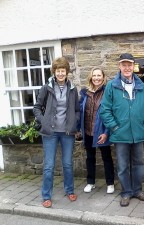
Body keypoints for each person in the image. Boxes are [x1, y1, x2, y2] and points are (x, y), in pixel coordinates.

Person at [100, 53, 144, 207]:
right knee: (123, 166)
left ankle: (137, 190)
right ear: (120, 66)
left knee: (138, 164)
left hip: (138, 133)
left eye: (130, 65)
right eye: (124, 65)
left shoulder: (141, 86)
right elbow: (105, 110)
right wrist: (115, 127)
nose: (127, 68)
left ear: (133, 67)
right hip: (120, 134)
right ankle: (126, 192)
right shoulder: (112, 86)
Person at [33, 57, 80, 208]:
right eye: (58, 71)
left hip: (67, 133)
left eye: (63, 71)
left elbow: (77, 110)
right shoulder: (46, 88)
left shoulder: (72, 89)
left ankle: (69, 190)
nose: (60, 73)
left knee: (67, 164)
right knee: (49, 166)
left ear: (67, 72)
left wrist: (74, 123)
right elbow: (37, 108)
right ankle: (46, 196)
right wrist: (44, 122)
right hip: (50, 133)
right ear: (54, 72)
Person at [77, 67, 115, 194]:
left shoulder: (107, 92)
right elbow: (80, 111)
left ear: (103, 77)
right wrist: (78, 129)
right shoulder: (84, 93)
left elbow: (111, 113)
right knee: (90, 158)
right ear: (91, 77)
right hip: (88, 131)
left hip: (102, 131)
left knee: (106, 158)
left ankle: (110, 183)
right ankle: (90, 182)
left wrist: (106, 133)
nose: (97, 78)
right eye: (94, 75)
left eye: (99, 75)